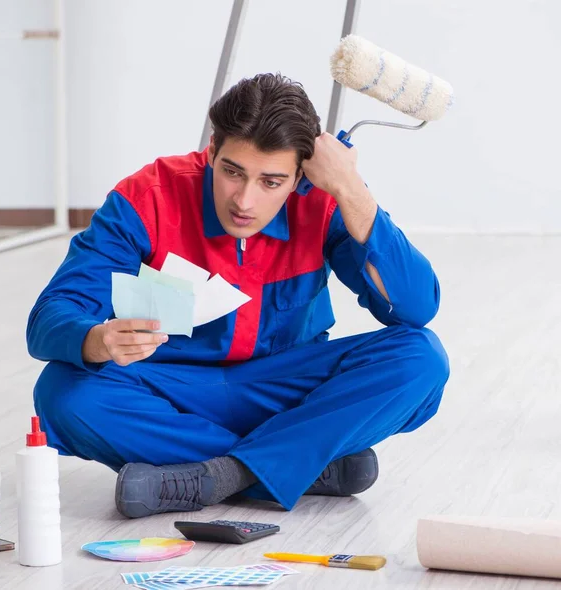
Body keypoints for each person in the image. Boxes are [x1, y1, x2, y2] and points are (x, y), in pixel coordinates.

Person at [27, 73, 449, 519]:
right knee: (62, 392)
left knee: (421, 358)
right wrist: (96, 339)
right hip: (173, 390)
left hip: (284, 389)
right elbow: (50, 317)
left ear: (300, 176)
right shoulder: (148, 196)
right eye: (232, 172)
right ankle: (301, 461)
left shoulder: (324, 202)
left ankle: (215, 476)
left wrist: (351, 189)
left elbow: (415, 308)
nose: (244, 201)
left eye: (271, 181)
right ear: (212, 150)